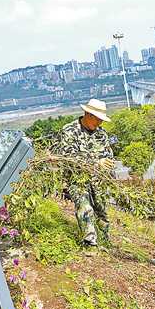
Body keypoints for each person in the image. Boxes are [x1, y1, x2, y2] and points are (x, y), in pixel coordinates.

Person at [57, 98, 114, 247]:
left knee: (103, 214)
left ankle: (104, 241)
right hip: (77, 181)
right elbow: (70, 159)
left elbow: (108, 155)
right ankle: (90, 245)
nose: (100, 123)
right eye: (98, 120)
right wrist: (96, 163)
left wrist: (108, 166)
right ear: (88, 114)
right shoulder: (69, 131)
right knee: (86, 209)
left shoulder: (102, 134)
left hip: (98, 182)